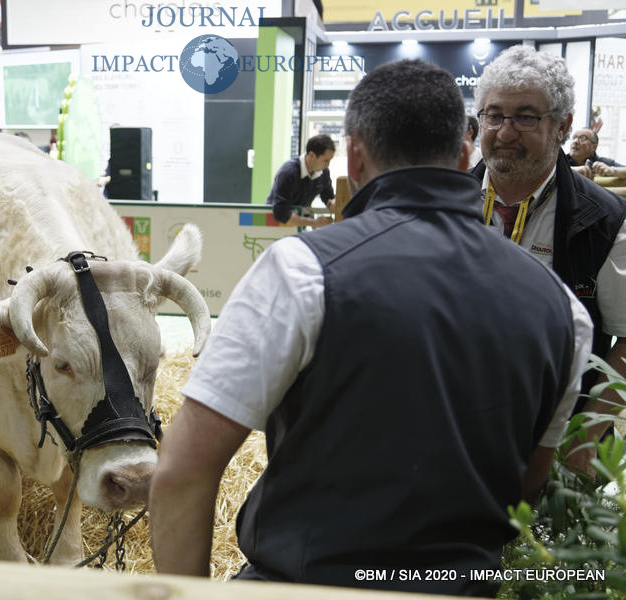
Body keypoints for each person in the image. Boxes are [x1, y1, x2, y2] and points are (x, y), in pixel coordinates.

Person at [149, 59, 593, 597]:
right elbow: (527, 484)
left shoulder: (300, 273)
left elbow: (180, 472)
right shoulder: (563, 311)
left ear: (354, 157)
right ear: (462, 155)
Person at [470, 45, 626, 473]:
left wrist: (587, 435)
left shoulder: (606, 220)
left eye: (526, 117)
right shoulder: (443, 203)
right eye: (494, 115)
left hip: (557, 444)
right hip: (451, 431)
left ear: (563, 127)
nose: (504, 132)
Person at [266, 133, 335, 229]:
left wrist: (333, 204)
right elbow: (281, 213)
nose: (328, 165)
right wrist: (314, 223)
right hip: (273, 225)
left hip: (297, 225)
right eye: (326, 160)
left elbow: (328, 197)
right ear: (312, 155)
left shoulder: (323, 172)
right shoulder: (288, 172)